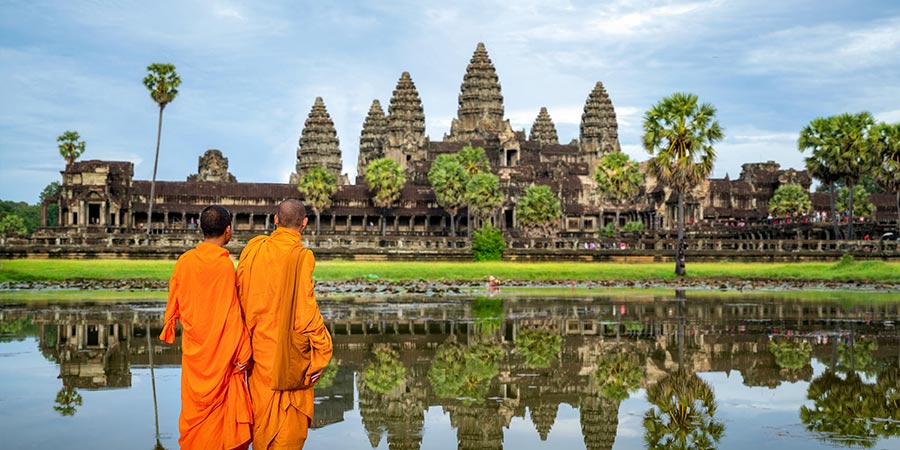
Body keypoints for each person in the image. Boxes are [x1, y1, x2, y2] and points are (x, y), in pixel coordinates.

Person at [237, 199, 333, 450]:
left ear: (275, 220)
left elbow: (240, 297)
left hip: (259, 353)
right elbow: (306, 311)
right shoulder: (301, 256)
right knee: (288, 432)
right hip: (290, 359)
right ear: (304, 223)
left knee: (262, 421)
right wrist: (322, 353)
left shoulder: (254, 248)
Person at [160, 205, 253, 450]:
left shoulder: (184, 262)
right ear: (228, 230)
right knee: (223, 426)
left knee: (196, 418)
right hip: (222, 356)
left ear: (201, 229)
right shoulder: (224, 267)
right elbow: (233, 313)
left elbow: (175, 305)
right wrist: (244, 349)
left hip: (195, 354)